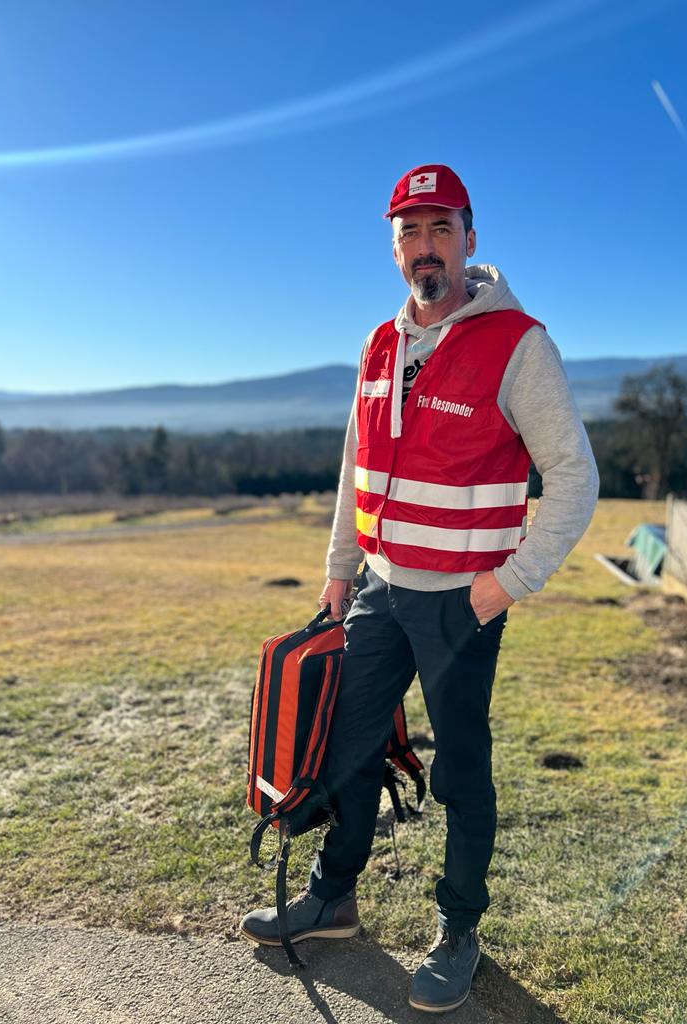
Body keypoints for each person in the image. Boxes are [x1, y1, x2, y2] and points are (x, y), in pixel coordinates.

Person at [241, 164, 600, 1014]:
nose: (424, 246)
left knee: (461, 772)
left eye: (440, 228)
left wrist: (503, 586)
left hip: (460, 605)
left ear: (471, 239)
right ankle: (335, 897)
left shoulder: (519, 342)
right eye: (409, 231)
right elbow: (353, 468)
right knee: (347, 747)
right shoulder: (378, 344)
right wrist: (339, 571)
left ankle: (459, 926)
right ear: (394, 246)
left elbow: (574, 478)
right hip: (379, 587)